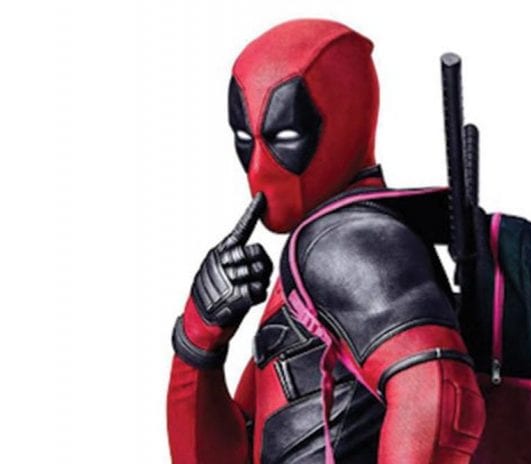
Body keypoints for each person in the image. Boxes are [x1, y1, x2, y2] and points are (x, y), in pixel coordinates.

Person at [167, 18, 485, 464]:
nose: (258, 167)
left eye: (284, 136)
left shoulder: (347, 243)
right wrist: (198, 342)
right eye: (244, 138)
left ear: (344, 119)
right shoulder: (316, 251)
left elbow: (441, 400)